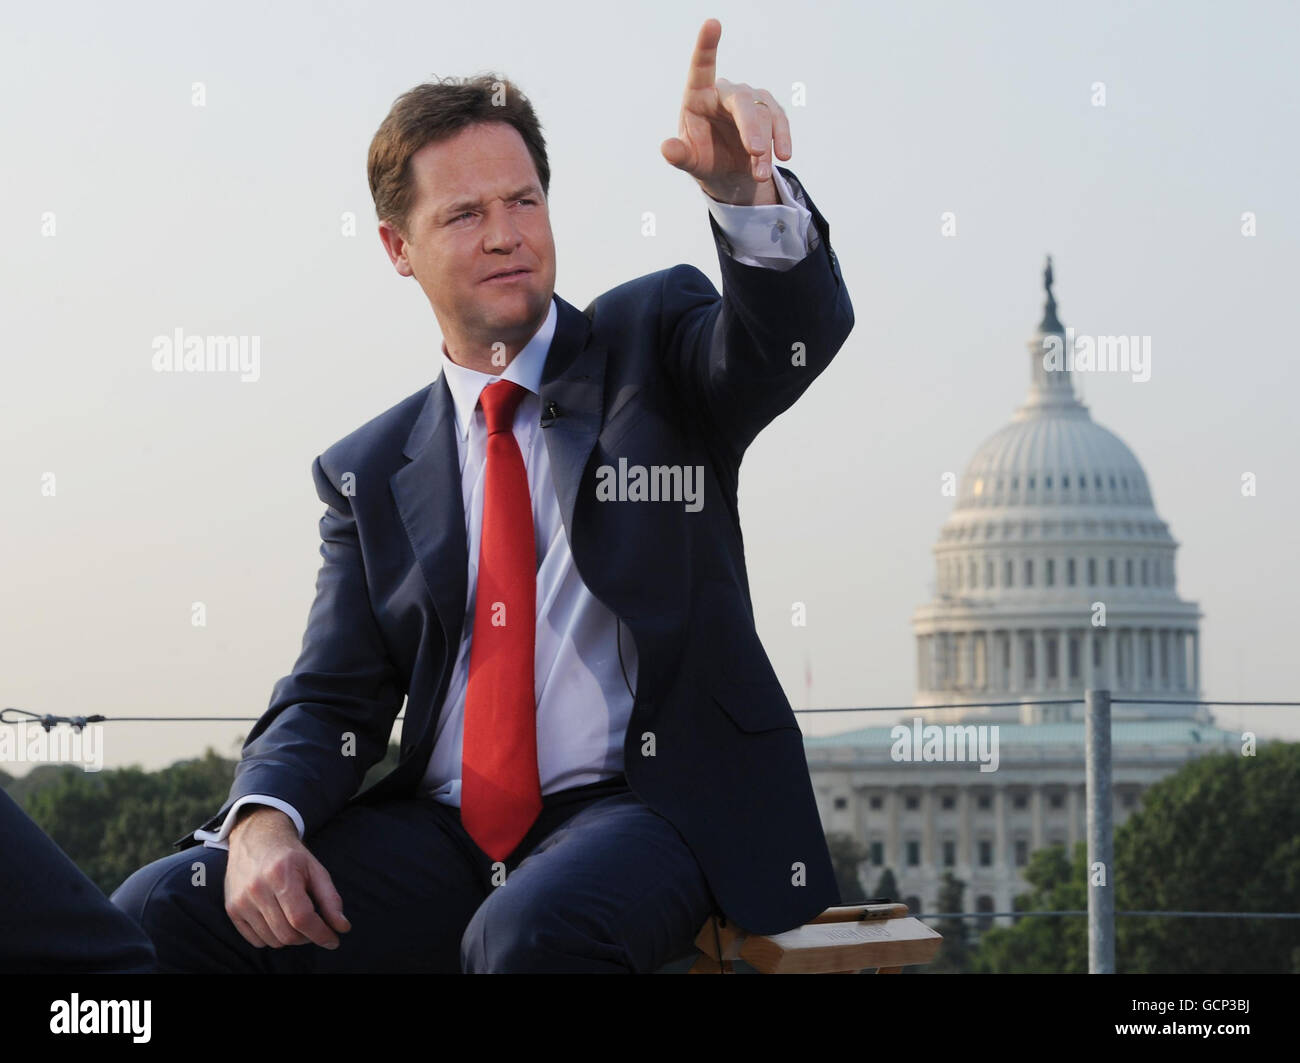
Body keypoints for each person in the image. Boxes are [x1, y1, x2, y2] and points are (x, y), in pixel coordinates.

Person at [112, 18, 855, 973]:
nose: (507, 234)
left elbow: (787, 338)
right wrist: (259, 819)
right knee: (156, 910)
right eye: (465, 214)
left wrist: (741, 193)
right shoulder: (370, 468)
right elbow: (332, 695)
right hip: (447, 833)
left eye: (525, 199)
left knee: (528, 935)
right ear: (397, 245)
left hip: (648, 806)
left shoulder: (652, 345)